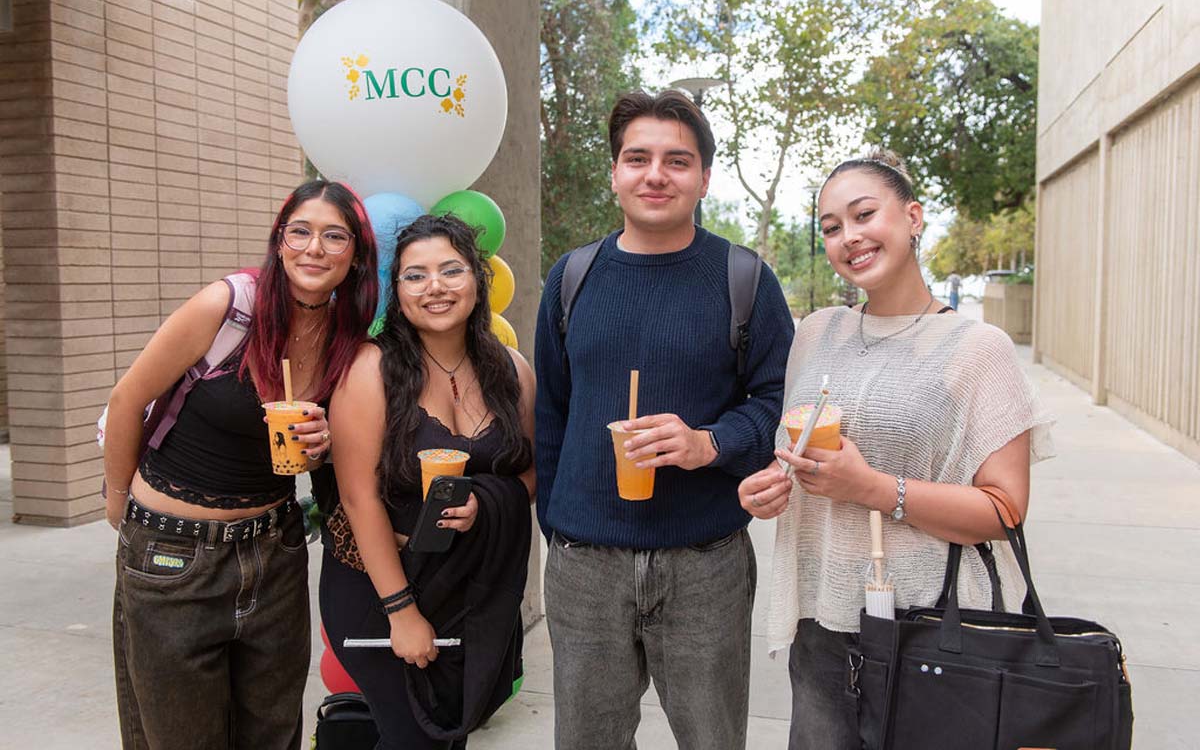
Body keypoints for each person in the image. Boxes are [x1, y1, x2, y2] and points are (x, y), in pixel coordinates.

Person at [737, 150, 1054, 750]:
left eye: (863, 215)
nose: (848, 237)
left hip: (935, 628)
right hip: (823, 624)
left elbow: (1005, 509)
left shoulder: (978, 349)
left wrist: (873, 489)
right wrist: (771, 484)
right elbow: (799, 452)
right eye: (831, 227)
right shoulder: (815, 334)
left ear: (912, 216)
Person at [534, 89, 795, 750]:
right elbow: (552, 420)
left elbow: (777, 405)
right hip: (586, 566)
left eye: (677, 161)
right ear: (615, 173)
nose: (656, 174)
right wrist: (563, 533)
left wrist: (710, 442)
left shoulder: (744, 279)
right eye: (638, 158)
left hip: (705, 564)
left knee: (712, 739)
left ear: (704, 178)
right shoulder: (571, 280)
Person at [104, 180, 379, 749]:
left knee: (273, 734)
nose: (314, 249)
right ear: (279, 241)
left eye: (334, 236)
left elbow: (339, 453)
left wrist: (323, 442)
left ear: (356, 256)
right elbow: (127, 399)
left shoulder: (348, 338)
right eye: (300, 232)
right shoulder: (228, 307)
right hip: (171, 554)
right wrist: (117, 502)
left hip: (274, 551)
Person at [320, 214, 536, 750]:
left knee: (447, 739)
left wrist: (486, 505)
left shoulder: (512, 370)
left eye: (451, 270)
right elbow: (356, 496)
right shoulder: (370, 369)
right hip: (378, 586)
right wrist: (402, 612)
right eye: (415, 275)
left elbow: (528, 471)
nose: (435, 286)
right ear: (397, 291)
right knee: (414, 738)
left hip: (470, 588)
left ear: (479, 280)